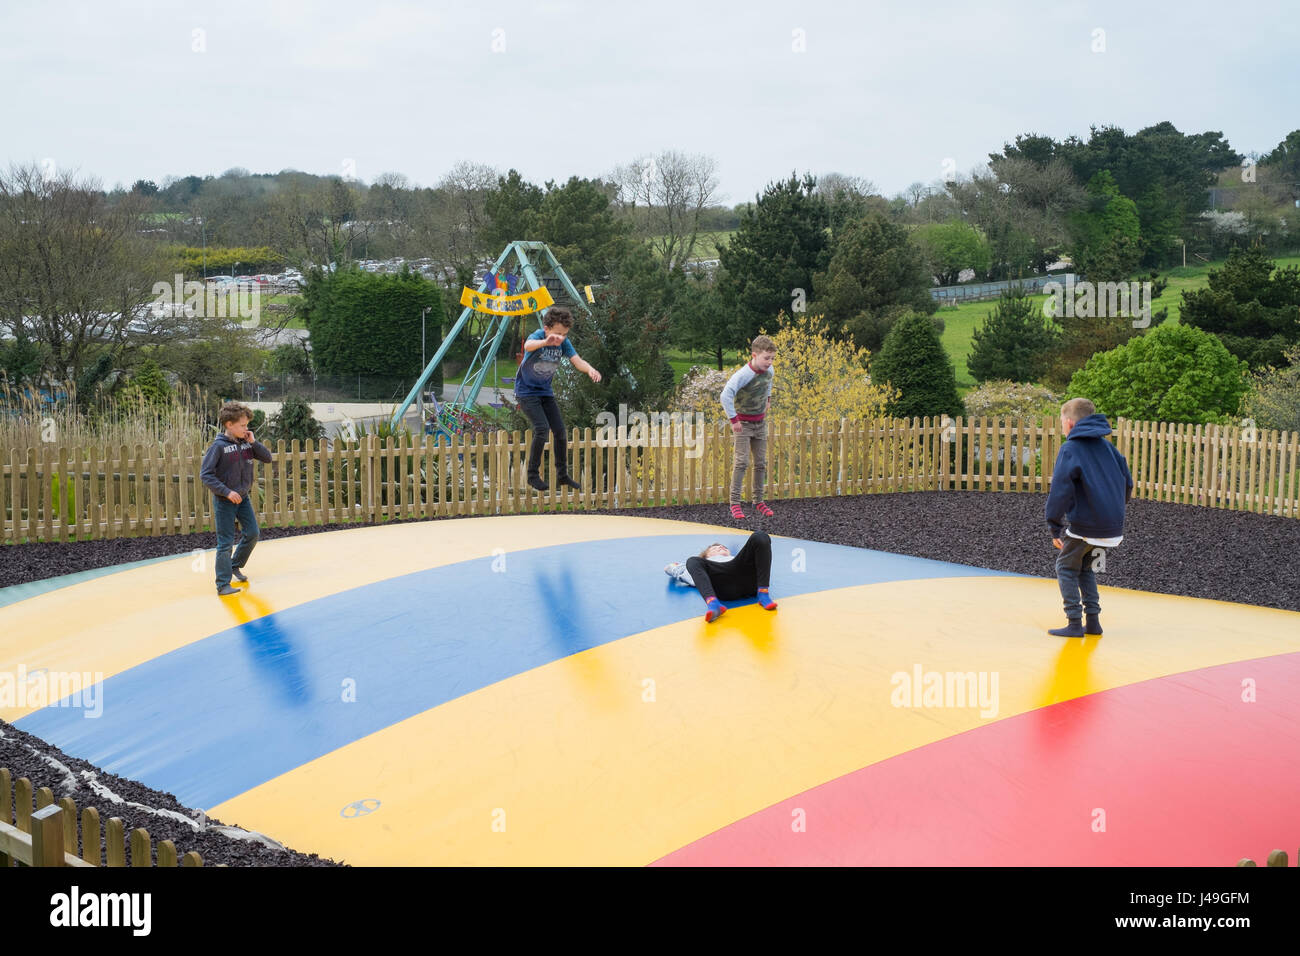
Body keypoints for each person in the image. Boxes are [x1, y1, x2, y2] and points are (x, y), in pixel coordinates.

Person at [1043, 398, 1133, 637]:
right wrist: (1112, 510)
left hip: (1088, 525)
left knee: (1064, 566)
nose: (1062, 426)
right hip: (1112, 526)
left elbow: (1060, 491)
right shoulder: (1108, 448)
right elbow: (1128, 482)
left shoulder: (1070, 449)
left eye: (1062, 422)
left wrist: (1054, 527)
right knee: (1084, 568)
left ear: (1070, 423)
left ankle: (1074, 623)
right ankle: (1093, 623)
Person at [514, 307, 601, 491]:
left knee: (560, 431)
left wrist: (590, 369)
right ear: (547, 328)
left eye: (564, 334)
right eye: (557, 334)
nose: (560, 338)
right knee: (542, 429)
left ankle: (562, 475)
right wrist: (545, 341)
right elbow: (528, 346)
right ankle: (532, 475)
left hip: (545, 391)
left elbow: (577, 361)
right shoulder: (538, 335)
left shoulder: (564, 342)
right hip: (526, 392)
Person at [200, 401, 273, 596]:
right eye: (242, 425)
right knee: (225, 542)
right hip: (225, 500)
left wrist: (253, 441)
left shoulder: (246, 444)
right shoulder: (218, 447)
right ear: (229, 424)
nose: (246, 429)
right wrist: (226, 491)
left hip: (243, 498)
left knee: (252, 533)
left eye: (247, 425)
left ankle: (235, 565)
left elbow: (267, 458)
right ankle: (223, 584)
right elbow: (206, 475)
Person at [664, 531, 779, 623]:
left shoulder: (737, 558)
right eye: (714, 548)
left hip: (747, 581)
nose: (720, 547)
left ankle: (763, 594)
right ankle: (713, 604)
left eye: (723, 547)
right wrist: (675, 567)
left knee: (760, 536)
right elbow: (672, 568)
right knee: (692, 560)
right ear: (706, 556)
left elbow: (762, 560)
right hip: (723, 585)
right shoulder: (703, 564)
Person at [720, 335, 776, 520]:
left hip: (760, 423)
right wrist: (734, 420)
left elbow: (768, 384)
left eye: (772, 358)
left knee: (761, 463)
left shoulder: (770, 371)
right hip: (743, 424)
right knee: (741, 462)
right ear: (754, 355)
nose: (769, 362)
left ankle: (758, 501)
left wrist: (768, 400)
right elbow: (725, 395)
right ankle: (735, 503)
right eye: (766, 358)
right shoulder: (744, 375)